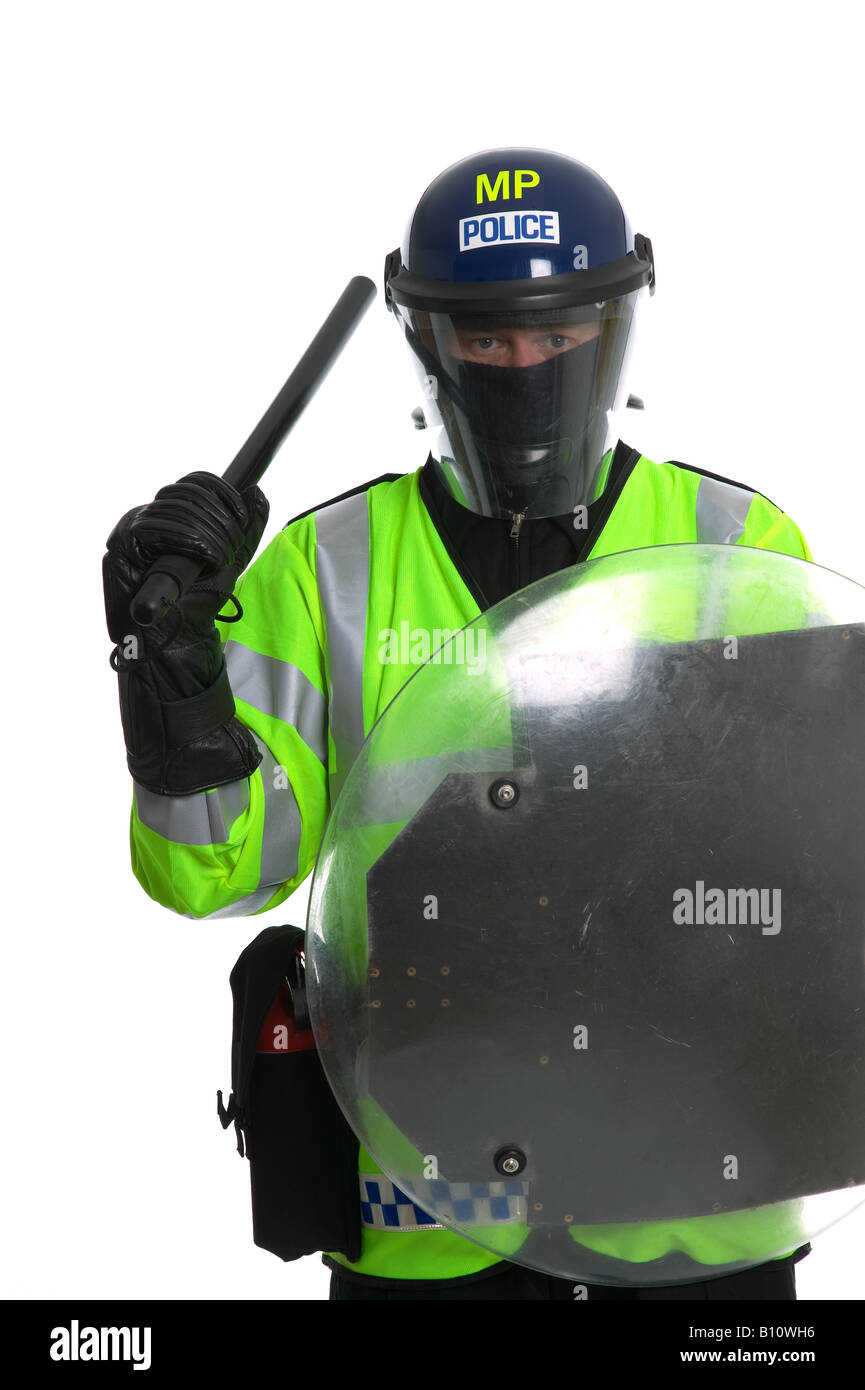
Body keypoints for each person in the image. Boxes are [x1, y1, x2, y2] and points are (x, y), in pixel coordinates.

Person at [103, 147, 813, 1300]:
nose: (521, 363)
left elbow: (816, 875)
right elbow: (209, 878)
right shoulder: (324, 570)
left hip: (691, 1218)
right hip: (427, 1220)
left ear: (616, 321)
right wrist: (167, 686)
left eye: (556, 330)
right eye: (484, 336)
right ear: (426, 338)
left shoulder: (734, 548)